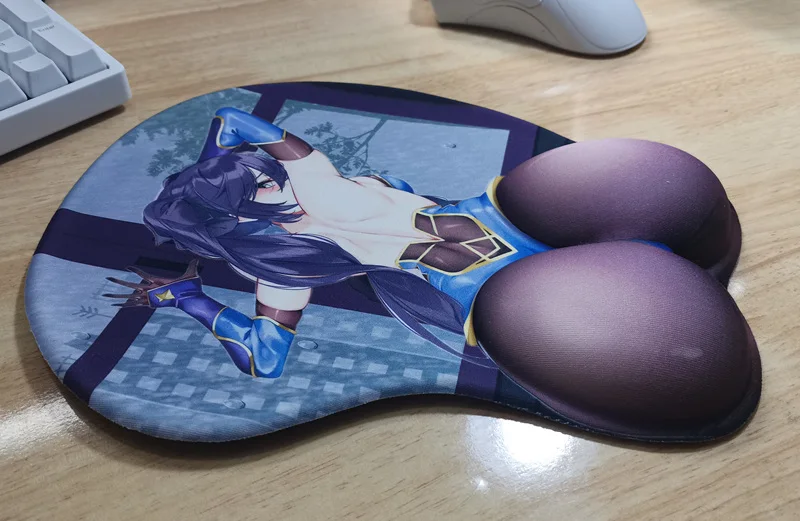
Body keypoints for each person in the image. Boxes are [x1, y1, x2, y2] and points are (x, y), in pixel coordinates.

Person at [108, 107, 759, 439]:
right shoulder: (282, 263)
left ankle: (671, 284)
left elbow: (236, 121)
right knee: (665, 349)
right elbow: (265, 357)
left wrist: (205, 167)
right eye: (253, 186)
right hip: (496, 294)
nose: (268, 176)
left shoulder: (309, 174)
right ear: (241, 215)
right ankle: (665, 308)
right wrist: (187, 298)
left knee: (661, 181)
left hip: (503, 215)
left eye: (260, 171)